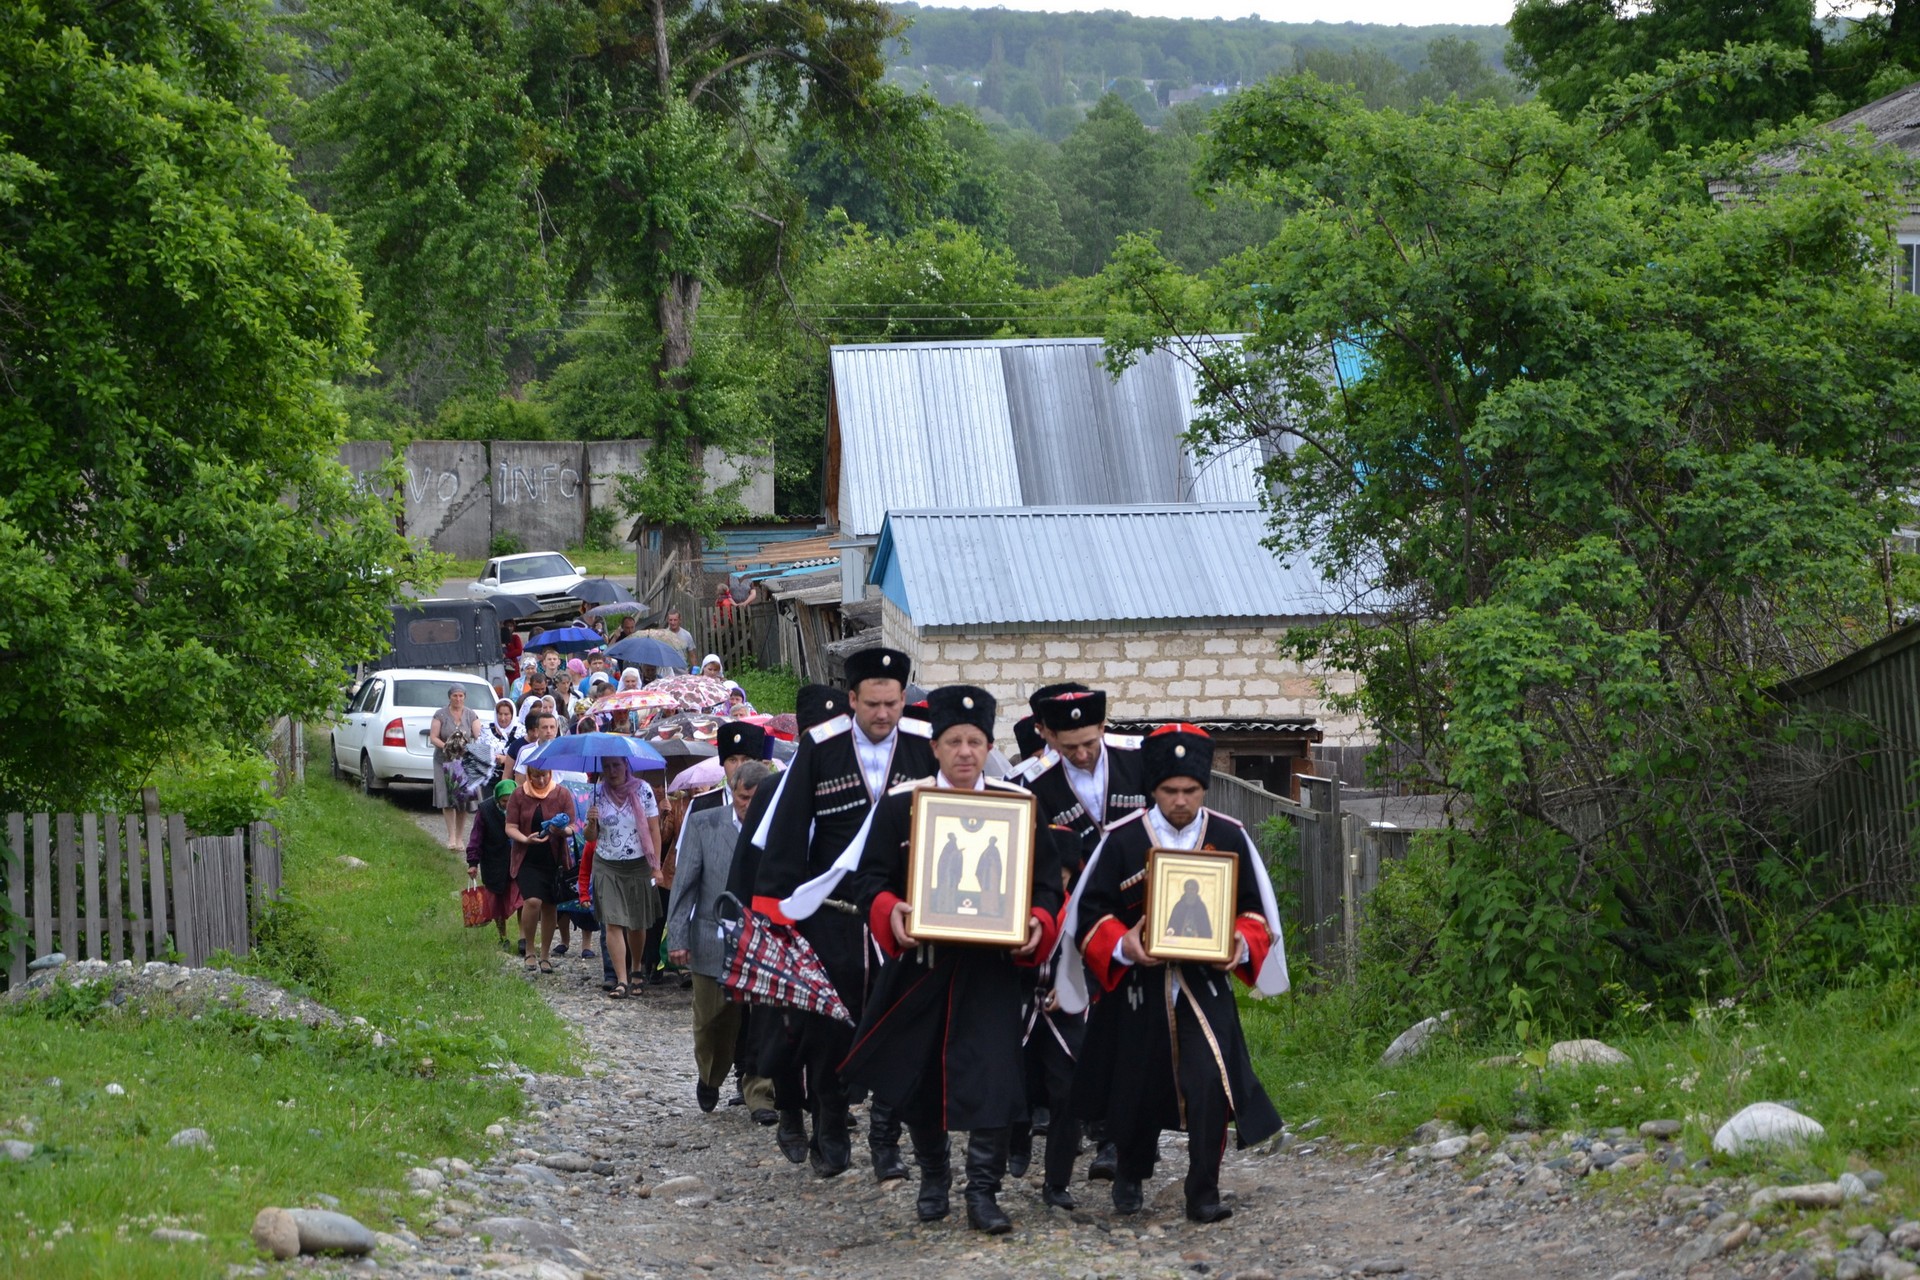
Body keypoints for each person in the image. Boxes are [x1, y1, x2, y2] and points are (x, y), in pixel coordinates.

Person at [809, 685, 1065, 1234]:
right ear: (936, 746)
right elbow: (870, 878)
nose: (965, 752)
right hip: (921, 968)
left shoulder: (1018, 806)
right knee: (922, 1082)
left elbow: (1046, 888)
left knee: (994, 1079)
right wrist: (890, 910)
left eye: (975, 741)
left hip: (991, 972)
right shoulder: (904, 804)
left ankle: (983, 1193)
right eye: (954, 741)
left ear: (987, 745)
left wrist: (1038, 925)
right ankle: (933, 1179)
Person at [1064, 724, 1288, 1224]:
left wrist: (1238, 943)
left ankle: (1203, 1190)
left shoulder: (1229, 836)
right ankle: (1130, 1168)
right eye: (1170, 791)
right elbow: (1091, 915)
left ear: (1204, 788)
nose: (1180, 801)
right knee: (1135, 1084)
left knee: (1211, 1082)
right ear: (1153, 790)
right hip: (1137, 989)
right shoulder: (1122, 842)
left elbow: (1254, 914)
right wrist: (1125, 944)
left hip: (1203, 986)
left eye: (1190, 791)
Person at [750, 648, 934, 1180]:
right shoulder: (821, 749)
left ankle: (888, 1140)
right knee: (828, 1031)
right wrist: (775, 919)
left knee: (901, 1026)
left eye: (892, 703)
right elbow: (787, 835)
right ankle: (829, 1124)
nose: (883, 714)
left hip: (901, 918)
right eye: (872, 704)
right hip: (832, 916)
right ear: (851, 700)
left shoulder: (924, 748)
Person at [1020, 685, 1147, 1186]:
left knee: (1130, 1029)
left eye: (1090, 741)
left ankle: (1117, 1143)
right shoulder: (1029, 784)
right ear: (1046, 734)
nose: (1082, 753)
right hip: (1071, 923)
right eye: (1068, 745)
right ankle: (1091, 1129)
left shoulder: (1139, 760)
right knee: (1086, 1031)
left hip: (1137, 913)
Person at [726, 684, 844, 1159]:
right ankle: (792, 1109)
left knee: (832, 1027)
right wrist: (740, 928)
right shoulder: (774, 788)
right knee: (785, 1028)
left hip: (834, 925)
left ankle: (829, 1120)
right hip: (780, 926)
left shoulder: (849, 786)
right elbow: (747, 862)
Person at [668, 760, 775, 1115]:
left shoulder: (780, 828)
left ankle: (759, 1093)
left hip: (763, 941)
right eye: (745, 797)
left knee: (763, 1020)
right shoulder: (703, 824)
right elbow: (684, 886)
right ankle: (710, 1075)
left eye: (758, 798)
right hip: (712, 937)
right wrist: (678, 936)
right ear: (733, 793)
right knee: (713, 1020)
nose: (751, 805)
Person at [585, 756, 661, 999]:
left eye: (616, 765)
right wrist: (591, 821)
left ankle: (636, 967)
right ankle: (621, 979)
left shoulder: (643, 790)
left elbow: (653, 829)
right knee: (612, 921)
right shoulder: (597, 792)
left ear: (626, 765)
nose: (611, 771)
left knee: (636, 922)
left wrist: (656, 866)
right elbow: (589, 837)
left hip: (638, 864)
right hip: (607, 864)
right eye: (606, 767)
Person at [505, 755, 580, 974]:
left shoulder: (561, 794)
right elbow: (510, 826)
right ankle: (529, 948)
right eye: (535, 776)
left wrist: (561, 830)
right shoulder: (519, 795)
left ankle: (545, 954)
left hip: (554, 860)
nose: (539, 780)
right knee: (533, 901)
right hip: (527, 857)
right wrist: (524, 838)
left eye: (544, 775)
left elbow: (573, 827)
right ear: (528, 774)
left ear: (550, 774)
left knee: (550, 906)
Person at [465, 779, 521, 952]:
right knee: (496, 902)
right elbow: (476, 837)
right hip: (493, 862)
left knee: (521, 900)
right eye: (504, 801)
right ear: (497, 799)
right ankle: (502, 936)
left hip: (516, 862)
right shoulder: (485, 810)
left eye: (511, 800)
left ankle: (524, 938)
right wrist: (473, 862)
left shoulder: (521, 807)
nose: (508, 804)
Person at [430, 685, 484, 851]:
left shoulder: (471, 714)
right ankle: (451, 836)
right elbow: (433, 737)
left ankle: (460, 837)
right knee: (447, 798)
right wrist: (447, 746)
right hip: (444, 760)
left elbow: (478, 734)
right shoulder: (440, 714)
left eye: (461, 696)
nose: (458, 699)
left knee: (463, 800)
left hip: (464, 762)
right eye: (455, 696)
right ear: (450, 697)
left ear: (465, 697)